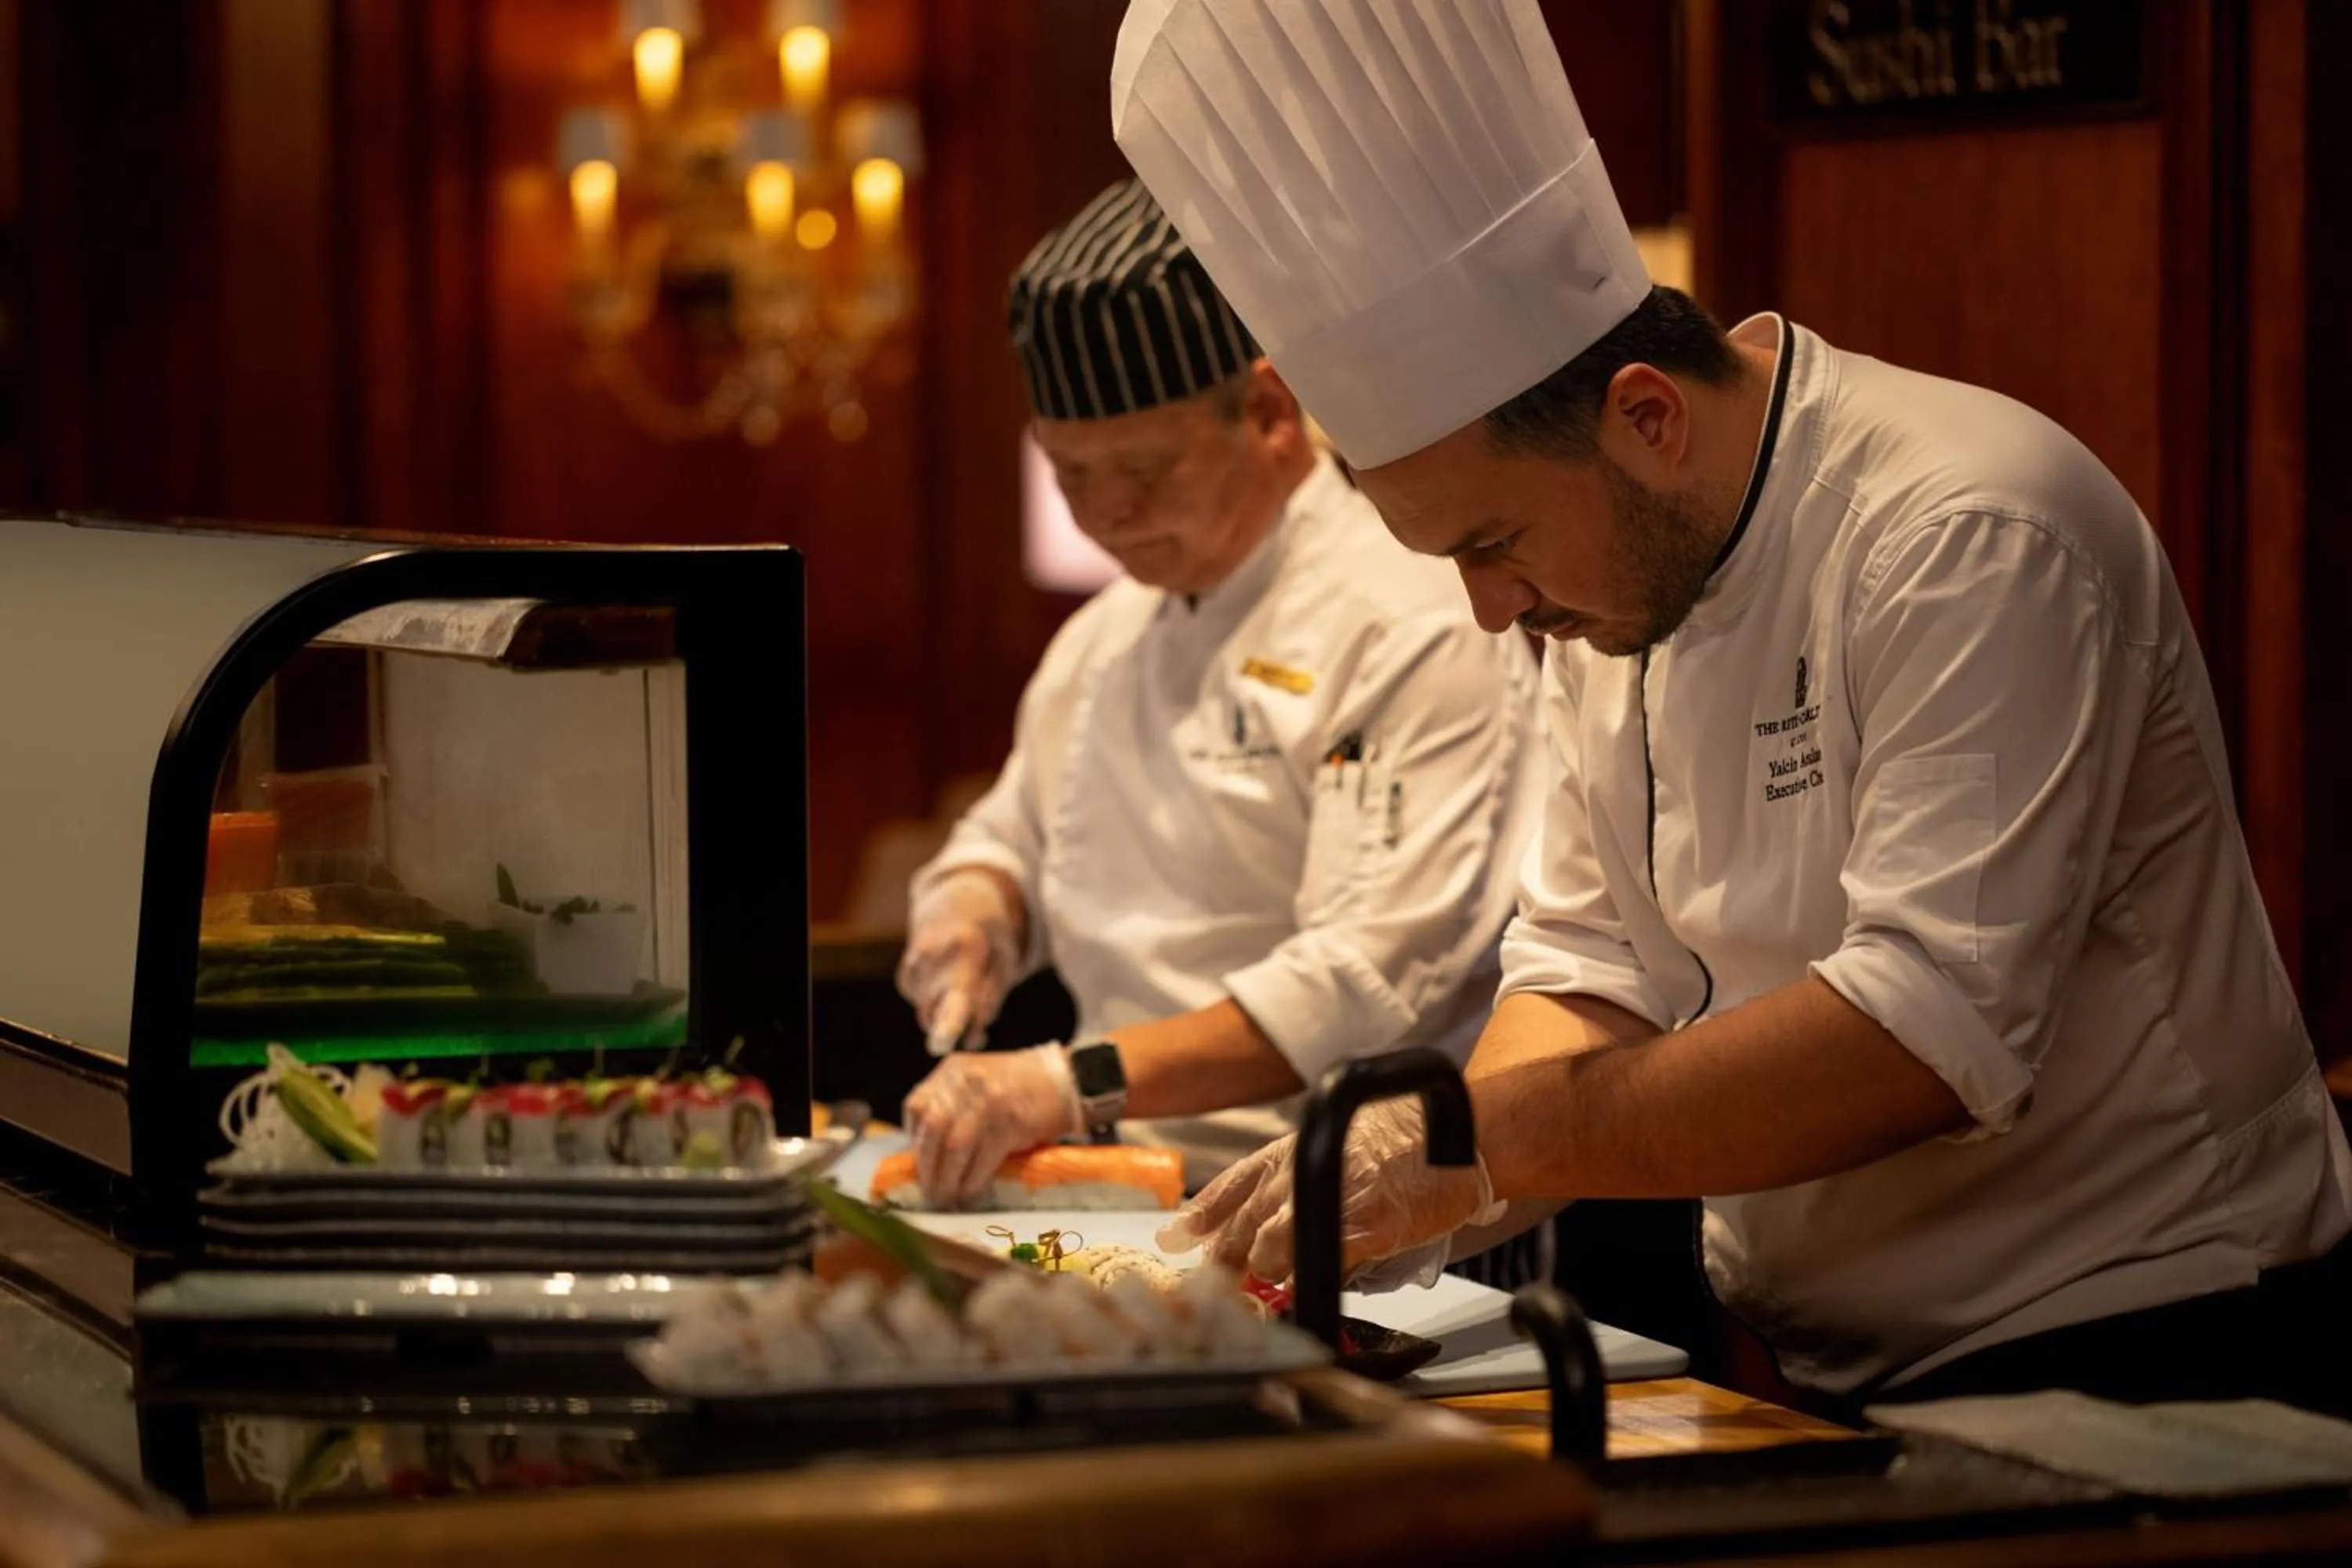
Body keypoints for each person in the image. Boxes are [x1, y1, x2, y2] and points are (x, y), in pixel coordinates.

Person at [1113, 0, 2352, 1410]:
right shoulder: (1611, 585)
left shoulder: (1967, 532)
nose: (1490, 610)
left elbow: (1924, 1032)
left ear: (1646, 416)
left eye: (1493, 544)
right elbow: (1587, 967)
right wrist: (1418, 1169)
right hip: (1837, 1368)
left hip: (2151, 1345)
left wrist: (1477, 1140)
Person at [895, 179, 1547, 1223]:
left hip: (1354, 1207)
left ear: (1271, 414)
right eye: (1071, 473)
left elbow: (1361, 984)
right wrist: (973, 911)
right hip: (1115, 1187)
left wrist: (1066, 1081)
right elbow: (1012, 834)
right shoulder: (1104, 637)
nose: (1108, 513)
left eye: (1143, 467)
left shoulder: (1409, 621)